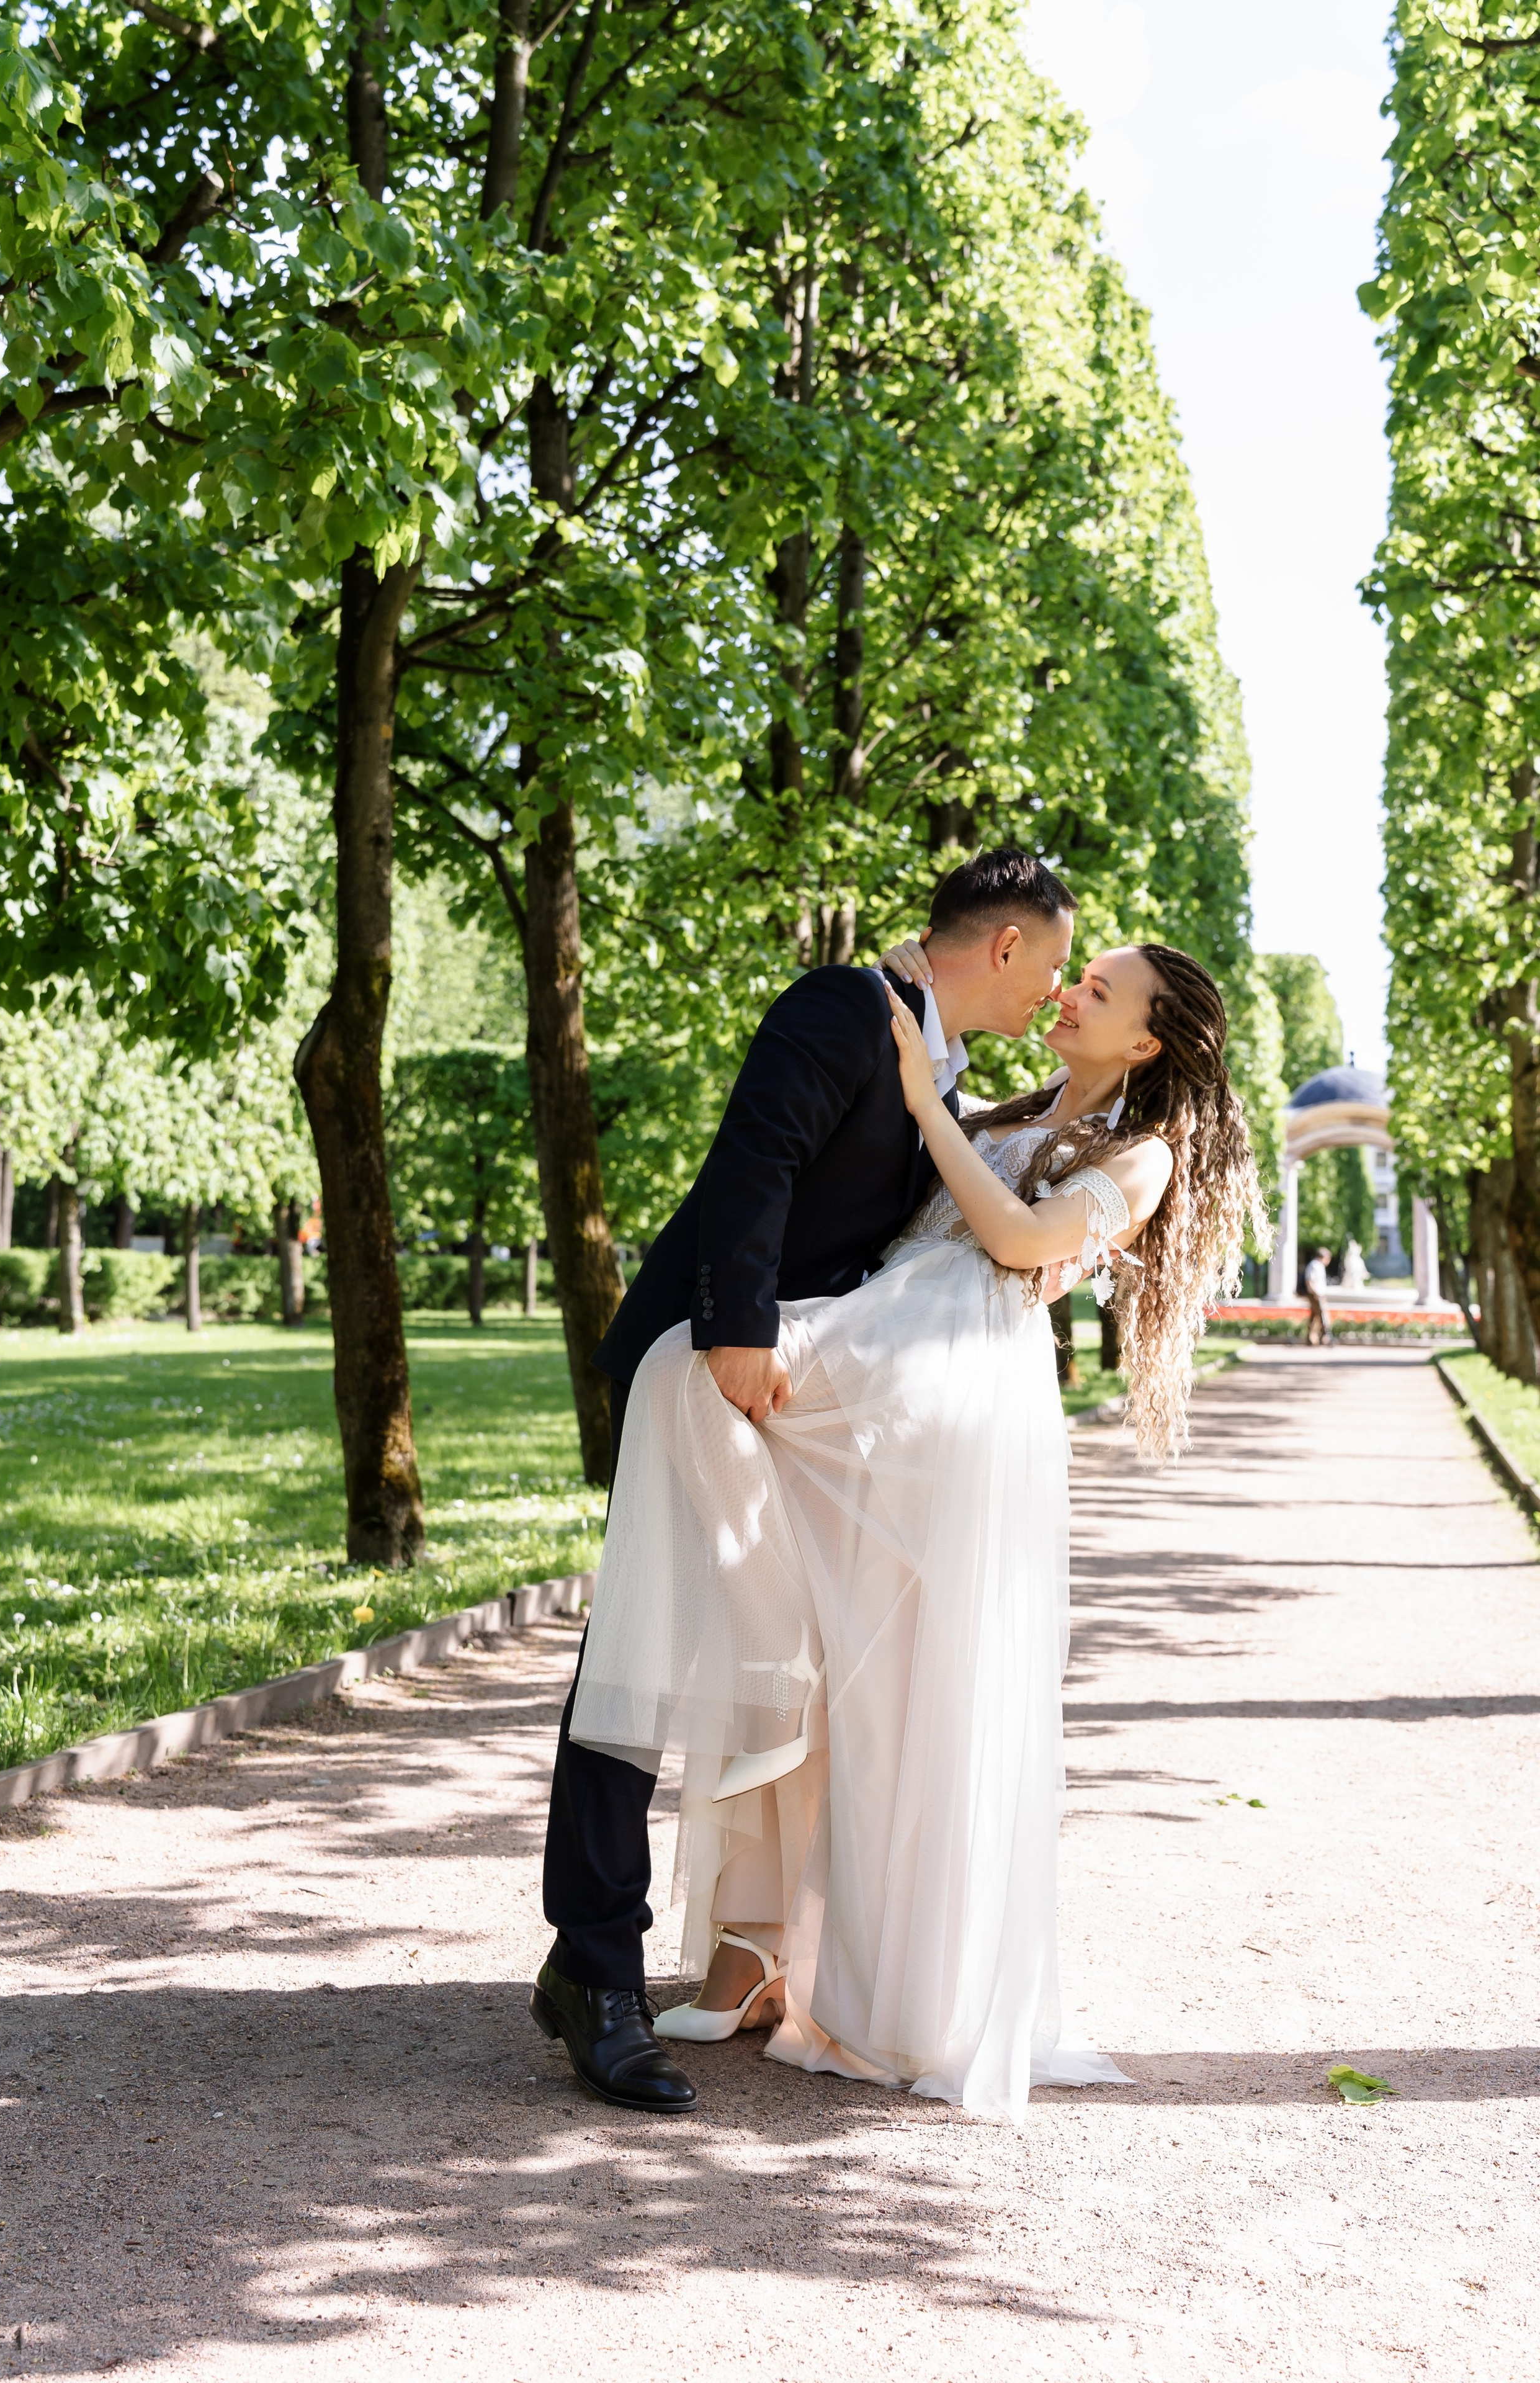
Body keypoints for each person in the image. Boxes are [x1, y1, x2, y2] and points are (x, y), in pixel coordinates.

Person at [565, 934, 1265, 2120]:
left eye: (1100, 990)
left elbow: (1028, 1242)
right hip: (882, 1353)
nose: (1070, 990)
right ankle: (758, 1941)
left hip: (951, 1394)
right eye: (1074, 970)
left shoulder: (1139, 1156)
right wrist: (924, 1046)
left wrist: (923, 1104)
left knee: (905, 1692)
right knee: (827, 1643)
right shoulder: (998, 1099)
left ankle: (880, 1984)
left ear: (1145, 1039)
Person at [530, 847, 1077, 2113]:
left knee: (762, 1663)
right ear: (1001, 947)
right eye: (1048, 965)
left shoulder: (943, 1068)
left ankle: (744, 1949)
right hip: (718, 1370)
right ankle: (596, 1977)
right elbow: (753, 1165)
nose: (1049, 992)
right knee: (637, 1664)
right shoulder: (836, 1008)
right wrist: (738, 1327)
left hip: (807, 1411)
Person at [1304, 1245, 1334, 1346]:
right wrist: (1316, 1294)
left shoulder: (1318, 1266)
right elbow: (1310, 1282)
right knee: (1322, 1316)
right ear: (1324, 1257)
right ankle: (1326, 1337)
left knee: (1315, 1317)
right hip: (1316, 1295)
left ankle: (1312, 1339)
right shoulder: (1315, 1265)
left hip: (1318, 1295)